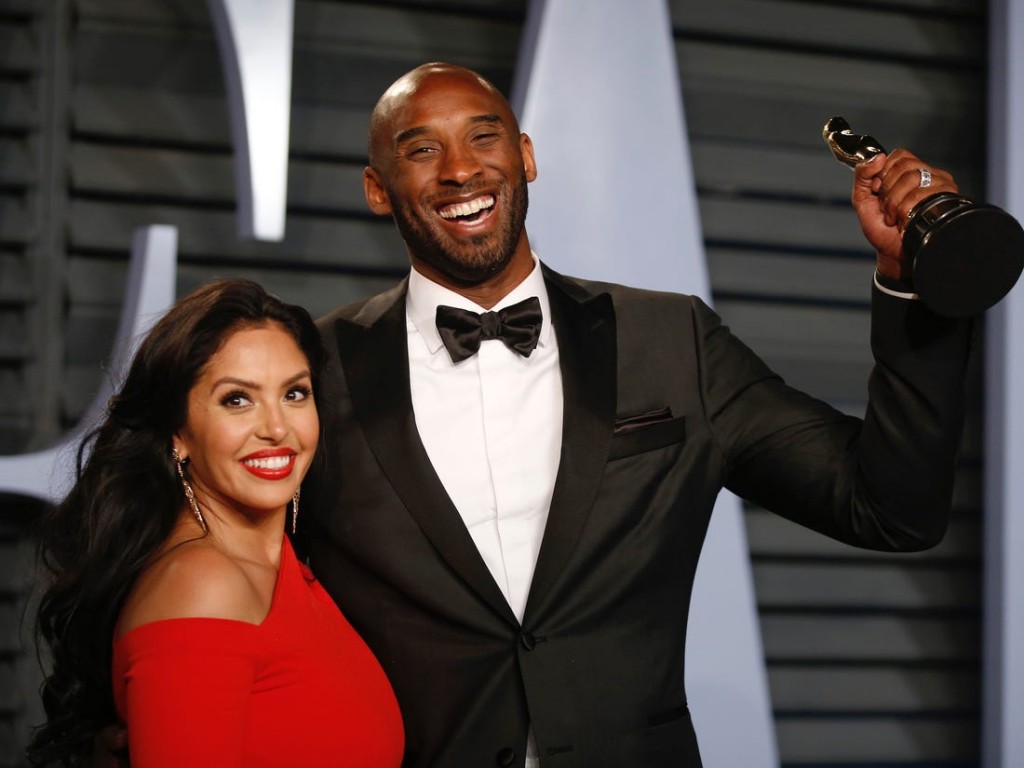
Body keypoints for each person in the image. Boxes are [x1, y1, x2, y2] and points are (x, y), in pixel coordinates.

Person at [302, 62, 975, 768]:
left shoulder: (671, 340)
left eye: (483, 137)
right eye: (422, 149)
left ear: (525, 156)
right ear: (377, 188)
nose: (461, 169)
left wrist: (912, 284)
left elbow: (890, 510)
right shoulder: (312, 370)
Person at [28, 279, 404, 767]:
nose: (276, 428)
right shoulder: (202, 585)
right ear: (178, 432)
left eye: (294, 393)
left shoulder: (285, 570)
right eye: (237, 400)